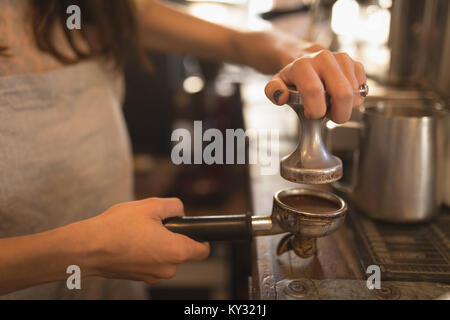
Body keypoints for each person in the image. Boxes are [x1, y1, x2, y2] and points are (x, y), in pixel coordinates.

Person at [0, 0, 366, 299]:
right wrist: (89, 251)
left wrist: (303, 55)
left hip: (109, 282)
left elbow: (237, 42)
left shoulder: (83, 7)